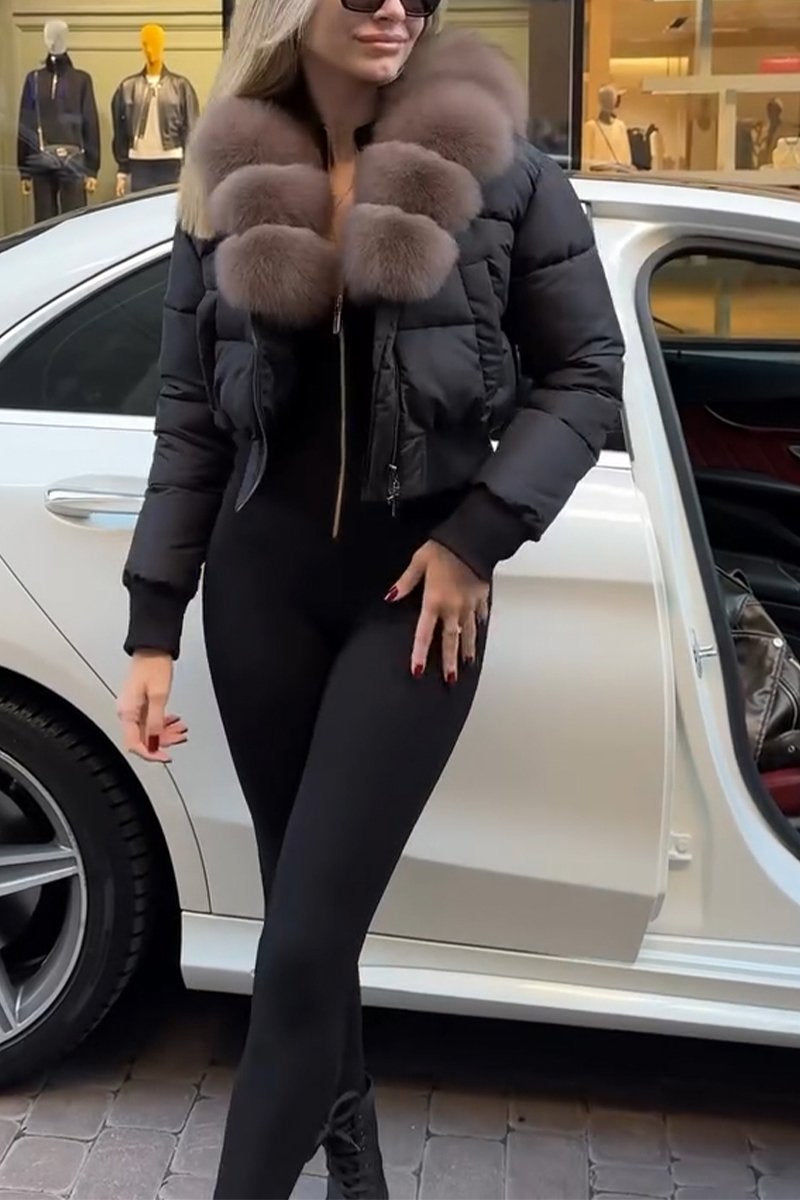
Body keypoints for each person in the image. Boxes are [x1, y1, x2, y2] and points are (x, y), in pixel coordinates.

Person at [114, 0, 625, 1193]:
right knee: (308, 929)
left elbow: (586, 372)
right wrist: (153, 625)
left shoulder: (498, 166)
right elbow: (190, 415)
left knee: (297, 948)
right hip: (260, 593)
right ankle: (357, 1165)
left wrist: (476, 537)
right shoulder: (230, 172)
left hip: (415, 597)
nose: (390, 5)